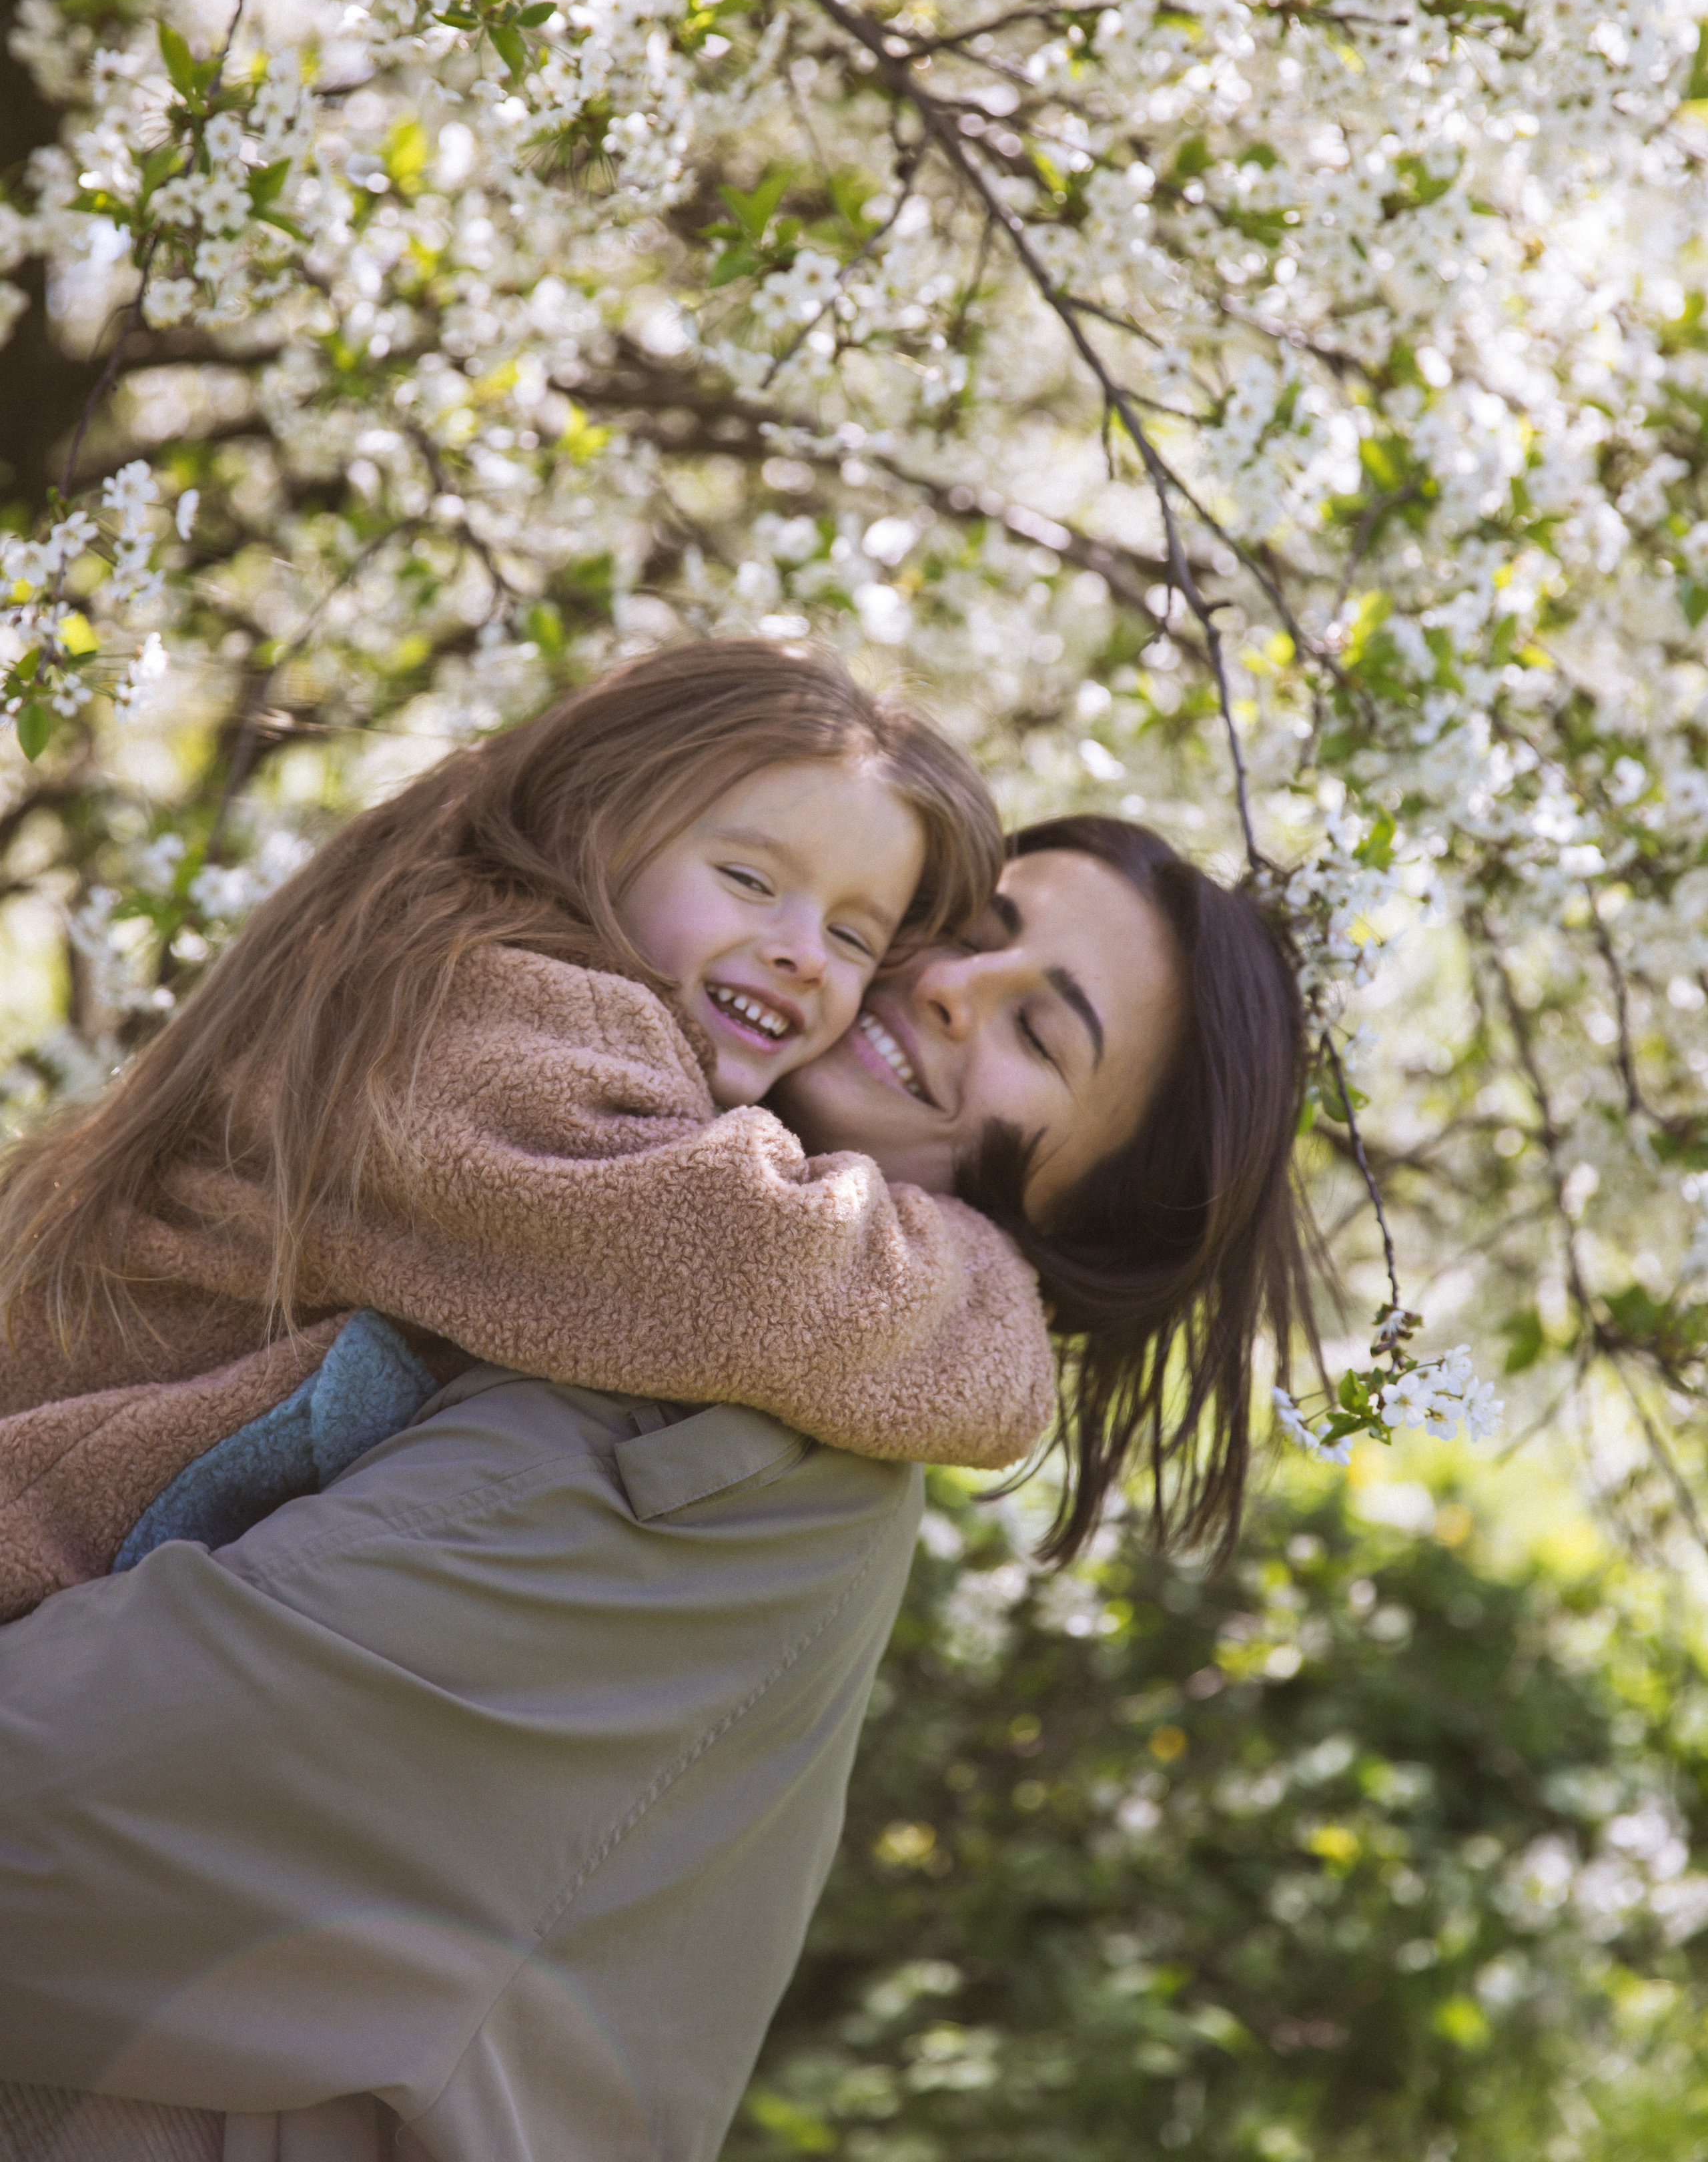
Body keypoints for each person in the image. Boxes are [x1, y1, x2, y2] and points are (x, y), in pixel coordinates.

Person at [0, 804, 1311, 2161]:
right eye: (968, 929)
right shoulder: (558, 1223)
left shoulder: (747, 1451)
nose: (945, 984)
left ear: (1079, 1216)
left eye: (1041, 1035)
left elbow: (83, 1804)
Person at [0, 639, 1059, 1622]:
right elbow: (740, 1262)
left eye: (851, 933)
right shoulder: (503, 1018)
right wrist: (992, 1297)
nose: (802, 953)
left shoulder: (469, 980)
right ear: (587, 834)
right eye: (748, 879)